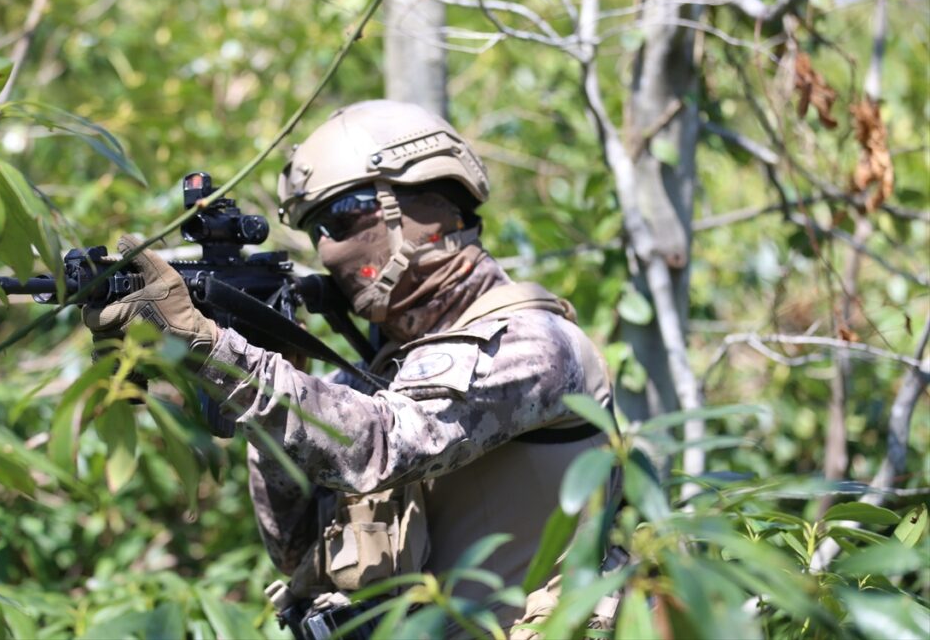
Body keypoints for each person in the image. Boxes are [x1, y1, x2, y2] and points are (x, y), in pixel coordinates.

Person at [83, 100, 615, 638]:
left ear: (430, 207)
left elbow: (385, 444)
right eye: (316, 230)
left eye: (341, 219)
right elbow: (295, 549)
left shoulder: (532, 343)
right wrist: (257, 364)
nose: (328, 252)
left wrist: (218, 351)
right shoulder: (375, 375)